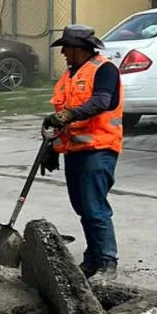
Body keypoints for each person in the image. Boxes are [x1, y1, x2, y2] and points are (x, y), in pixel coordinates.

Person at [41, 24, 123, 280]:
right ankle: (92, 259)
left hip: (99, 149)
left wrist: (69, 115)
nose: (63, 51)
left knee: (94, 206)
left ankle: (108, 262)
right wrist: (51, 148)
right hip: (74, 150)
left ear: (79, 49)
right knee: (82, 207)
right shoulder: (69, 75)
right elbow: (60, 116)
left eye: (66, 47)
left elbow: (102, 102)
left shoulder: (104, 70)